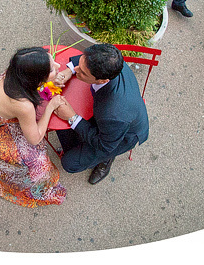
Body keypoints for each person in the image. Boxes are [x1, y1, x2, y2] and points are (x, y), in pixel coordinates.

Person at [0, 47, 67, 207]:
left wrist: (49, 81)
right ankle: (38, 190)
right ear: (36, 80)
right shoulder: (24, 106)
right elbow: (35, 138)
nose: (58, 66)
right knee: (37, 162)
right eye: (52, 68)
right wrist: (51, 107)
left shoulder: (15, 73)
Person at [52, 44, 149, 185]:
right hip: (112, 116)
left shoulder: (113, 114)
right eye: (79, 66)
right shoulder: (110, 61)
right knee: (64, 127)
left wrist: (72, 117)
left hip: (120, 137)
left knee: (69, 162)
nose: (78, 71)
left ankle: (106, 159)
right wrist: (69, 70)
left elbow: (105, 145)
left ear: (102, 80)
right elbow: (86, 60)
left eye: (83, 73)